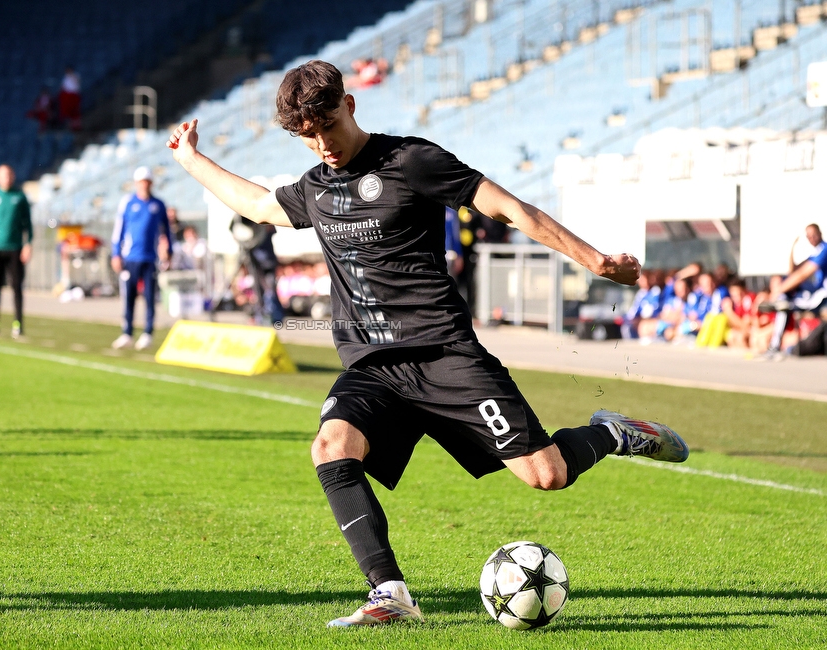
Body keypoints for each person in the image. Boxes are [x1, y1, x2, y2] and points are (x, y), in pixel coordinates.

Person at [166, 60, 688, 627]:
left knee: (546, 475)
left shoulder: (411, 161)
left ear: (351, 105)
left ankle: (611, 433)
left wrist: (595, 260)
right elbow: (259, 205)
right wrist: (192, 160)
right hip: (372, 366)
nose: (322, 145)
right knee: (331, 447)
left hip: (445, 356)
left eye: (327, 125)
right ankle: (390, 594)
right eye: (306, 136)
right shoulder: (315, 188)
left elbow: (509, 208)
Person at [111, 166, 172, 351]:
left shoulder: (158, 205)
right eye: (141, 181)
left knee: (149, 297)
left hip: (150, 257)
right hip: (131, 257)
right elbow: (118, 230)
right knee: (129, 296)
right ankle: (127, 332)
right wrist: (116, 254)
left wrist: (168, 251)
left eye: (147, 181)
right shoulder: (128, 203)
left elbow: (166, 231)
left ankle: (147, 332)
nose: (144, 185)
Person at [0, 164, 33, 337]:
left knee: (17, 287)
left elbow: (28, 223)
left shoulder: (19, 197)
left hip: (15, 249)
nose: (7, 178)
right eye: (4, 175)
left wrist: (28, 244)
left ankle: (18, 323)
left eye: (10, 175)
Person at [764, 224, 827, 356]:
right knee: (783, 303)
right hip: (813, 296)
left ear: (820, 233)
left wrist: (777, 291)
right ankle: (774, 346)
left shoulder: (824, 250)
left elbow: (802, 274)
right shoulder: (814, 253)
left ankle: (775, 347)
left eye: (814, 234)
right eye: (808, 236)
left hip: (821, 297)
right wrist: (793, 247)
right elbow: (793, 271)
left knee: (783, 302)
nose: (812, 238)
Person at [59, 67, 81, 131]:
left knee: (75, 111)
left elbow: (77, 84)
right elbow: (63, 87)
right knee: (68, 112)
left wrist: (72, 76)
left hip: (73, 95)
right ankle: (69, 126)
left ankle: (76, 126)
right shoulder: (65, 77)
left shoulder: (75, 75)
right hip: (67, 96)